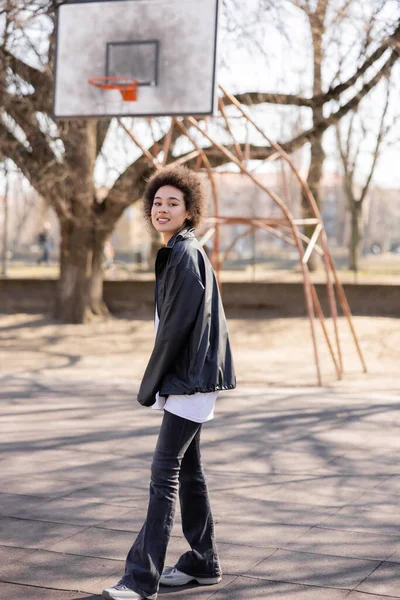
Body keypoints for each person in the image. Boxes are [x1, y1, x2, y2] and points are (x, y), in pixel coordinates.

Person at [102, 166, 236, 600]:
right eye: (157, 202)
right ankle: (203, 561)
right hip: (191, 379)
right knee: (190, 471)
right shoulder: (181, 250)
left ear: (190, 210)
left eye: (172, 203)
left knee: (164, 474)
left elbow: (175, 329)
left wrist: (151, 385)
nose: (162, 209)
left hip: (190, 381)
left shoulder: (183, 253)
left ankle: (141, 580)